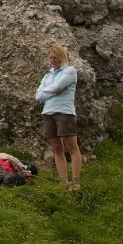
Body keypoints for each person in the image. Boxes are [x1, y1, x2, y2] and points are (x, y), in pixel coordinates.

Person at [35, 44, 82, 190]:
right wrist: (54, 91)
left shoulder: (69, 71)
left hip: (65, 112)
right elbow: (39, 96)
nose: (52, 60)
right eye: (50, 57)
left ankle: (75, 182)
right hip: (48, 112)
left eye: (55, 57)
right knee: (56, 148)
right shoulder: (47, 76)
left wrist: (51, 90)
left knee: (71, 147)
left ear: (61, 57)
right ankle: (63, 182)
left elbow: (56, 87)